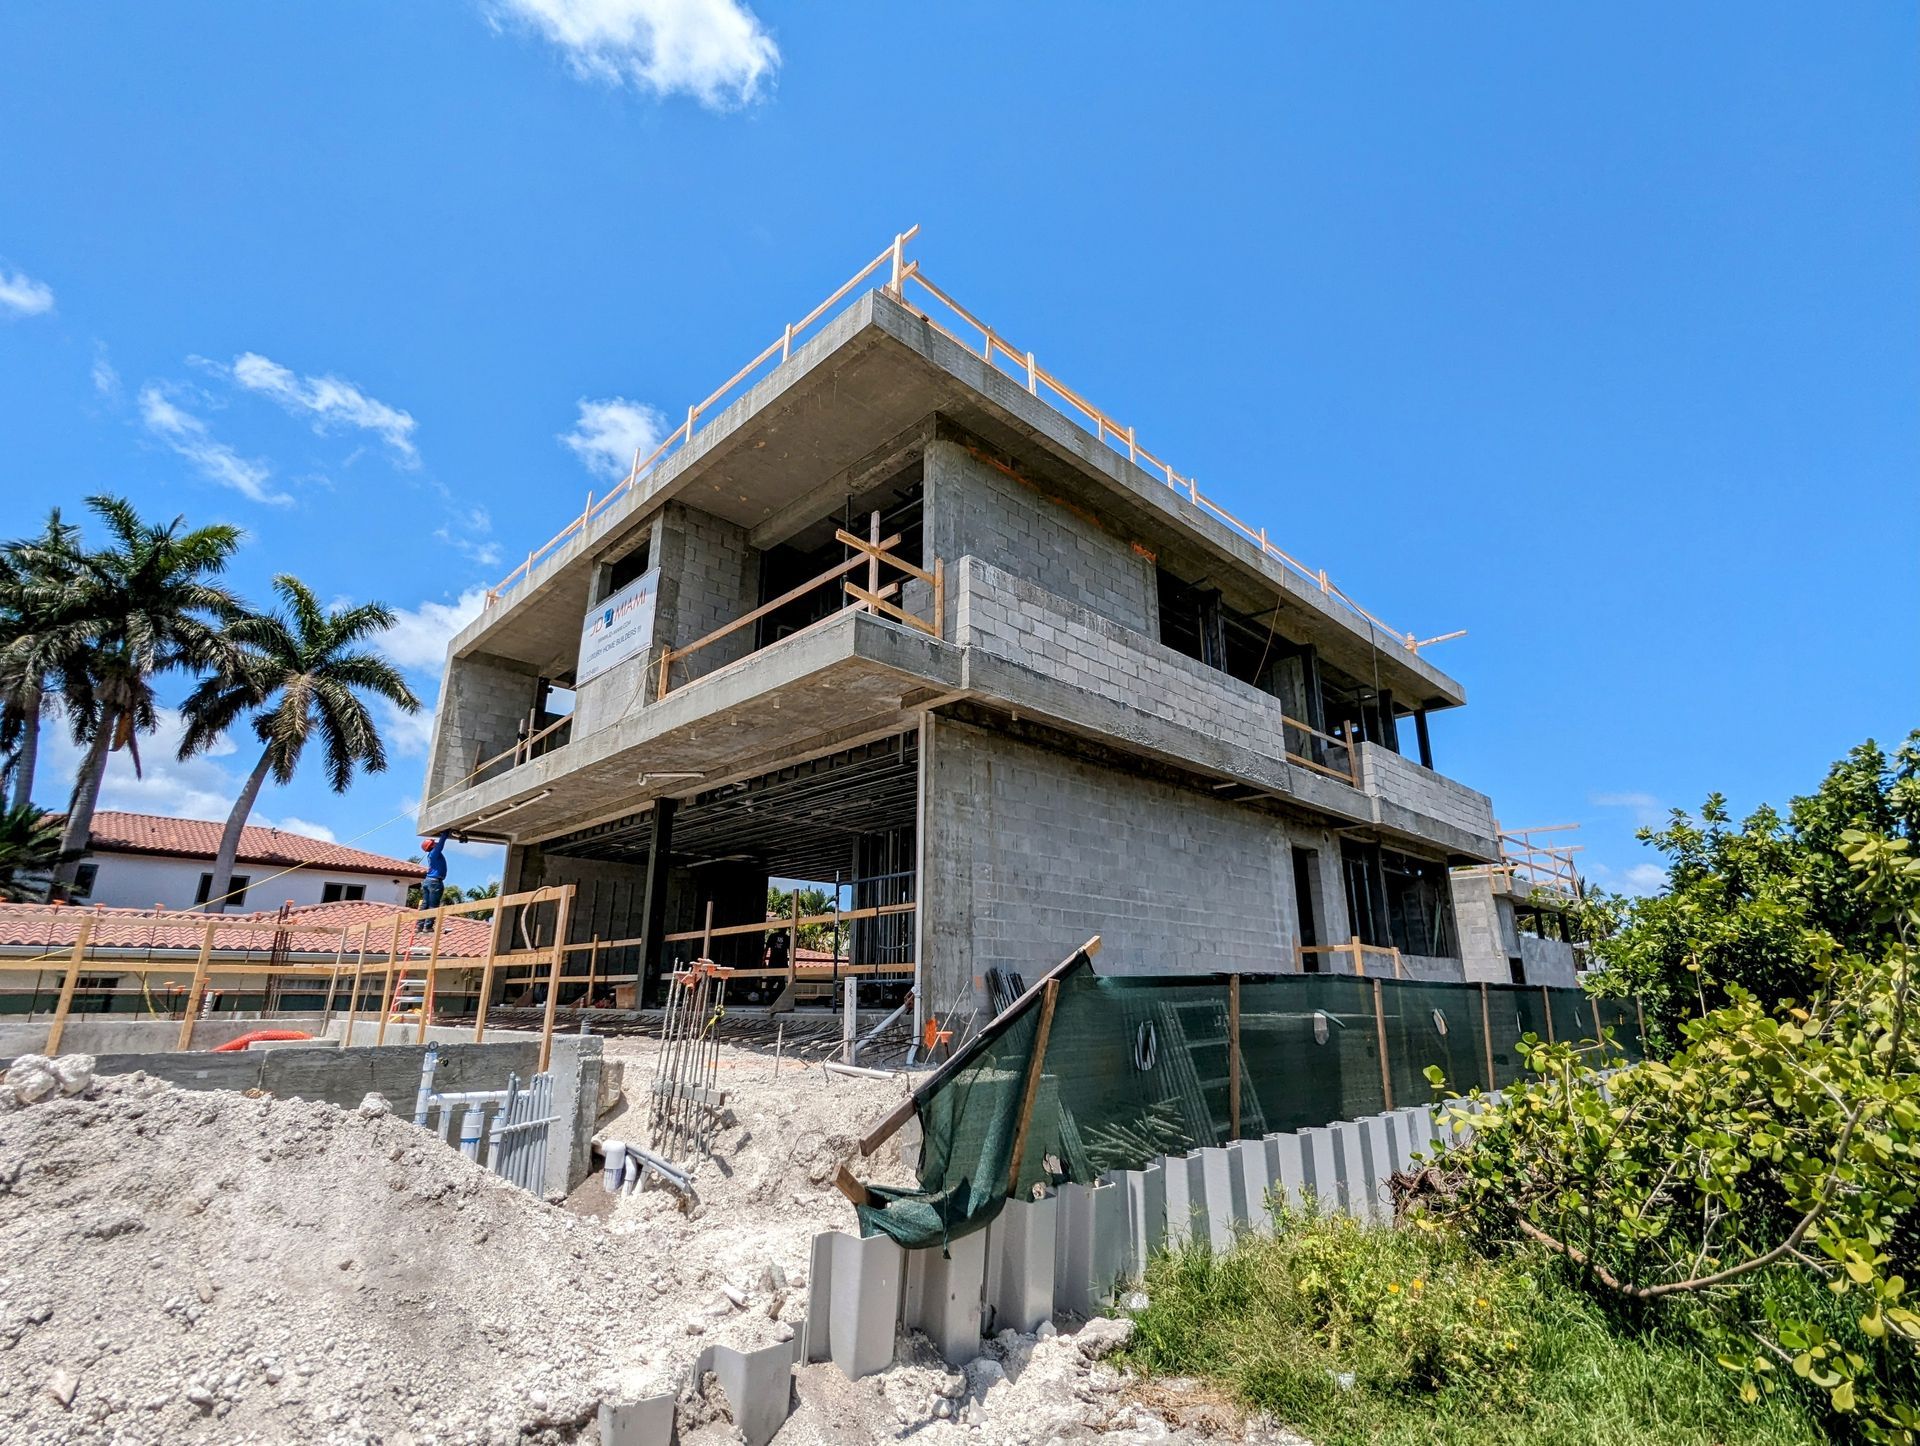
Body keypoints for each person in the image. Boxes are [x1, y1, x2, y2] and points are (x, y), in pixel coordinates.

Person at [417, 829, 452, 931]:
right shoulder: (434, 853)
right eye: (433, 843)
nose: (436, 843)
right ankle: (428, 926)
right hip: (434, 882)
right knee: (433, 905)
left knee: (425, 904)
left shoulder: (431, 855)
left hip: (428, 881)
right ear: (431, 846)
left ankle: (420, 925)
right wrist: (445, 833)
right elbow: (441, 844)